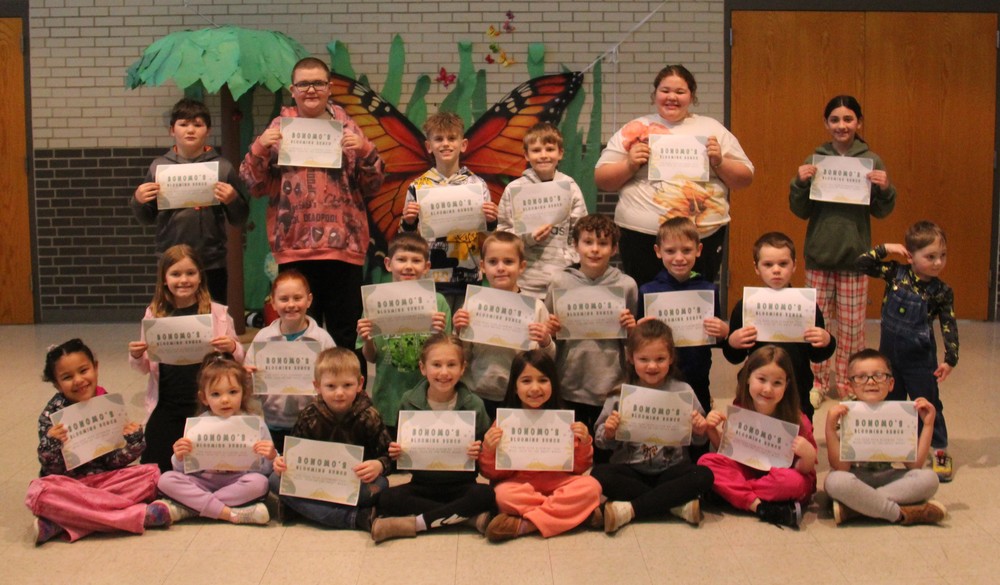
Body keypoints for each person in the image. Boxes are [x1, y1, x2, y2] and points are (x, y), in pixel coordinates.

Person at [240, 56, 385, 361]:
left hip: (343, 248)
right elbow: (254, 185)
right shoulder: (279, 129)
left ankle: (348, 402)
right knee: (300, 334)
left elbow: (373, 185)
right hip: (295, 246)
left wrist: (365, 150)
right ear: (293, 89)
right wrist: (260, 147)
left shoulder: (347, 126)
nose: (311, 89)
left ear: (329, 88)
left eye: (318, 83)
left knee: (345, 334)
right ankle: (305, 403)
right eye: (304, 83)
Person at [594, 64, 754, 286]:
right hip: (641, 237)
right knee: (644, 303)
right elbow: (603, 179)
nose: (672, 97)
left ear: (692, 96)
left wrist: (719, 161)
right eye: (665, 90)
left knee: (694, 306)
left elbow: (745, 179)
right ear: (655, 94)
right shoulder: (636, 128)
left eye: (680, 92)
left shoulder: (712, 128)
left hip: (701, 238)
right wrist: (630, 164)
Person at [789, 95, 895, 403]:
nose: (841, 126)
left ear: (859, 123)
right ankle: (817, 384)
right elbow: (800, 210)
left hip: (855, 259)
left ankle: (851, 385)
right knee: (816, 325)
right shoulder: (816, 158)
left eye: (848, 119)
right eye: (835, 120)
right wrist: (799, 182)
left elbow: (882, 211)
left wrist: (885, 188)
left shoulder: (871, 160)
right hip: (819, 256)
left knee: (851, 329)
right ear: (826, 124)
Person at [26, 339, 170, 544]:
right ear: (57, 384)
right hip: (72, 486)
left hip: (105, 482)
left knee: (151, 475)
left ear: (96, 367)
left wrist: (133, 442)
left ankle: (65, 522)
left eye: (83, 370)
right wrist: (51, 444)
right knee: (40, 492)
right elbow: (52, 470)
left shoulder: (108, 403)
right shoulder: (51, 416)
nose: (78, 380)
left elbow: (114, 461)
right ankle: (135, 516)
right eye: (67, 377)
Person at [592, 319, 715, 533]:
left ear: (671, 358)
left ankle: (629, 509)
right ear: (631, 358)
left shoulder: (683, 390)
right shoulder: (620, 394)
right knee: (599, 474)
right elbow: (601, 442)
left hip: (671, 469)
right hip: (631, 470)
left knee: (704, 475)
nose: (652, 366)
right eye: (644, 359)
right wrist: (610, 432)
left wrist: (699, 429)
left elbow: (699, 439)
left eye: (660, 359)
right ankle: (675, 504)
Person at [856, 221, 957, 482]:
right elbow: (862, 263)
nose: (937, 263)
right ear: (911, 256)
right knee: (891, 402)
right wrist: (885, 248)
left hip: (921, 360)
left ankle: (939, 448)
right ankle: (891, 447)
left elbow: (948, 323)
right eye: (930, 257)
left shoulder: (942, 291)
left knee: (929, 404)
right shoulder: (894, 272)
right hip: (889, 358)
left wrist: (950, 358)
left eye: (942, 256)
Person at [128, 244, 244, 472]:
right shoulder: (154, 312)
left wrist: (232, 346)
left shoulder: (218, 312)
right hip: (167, 403)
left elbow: (238, 363)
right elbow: (144, 368)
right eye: (176, 274)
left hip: (207, 405)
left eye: (190, 273)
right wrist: (136, 355)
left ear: (200, 276)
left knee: (209, 467)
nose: (184, 280)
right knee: (155, 468)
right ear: (164, 279)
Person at [371, 334, 495, 543]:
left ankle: (415, 524)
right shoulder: (408, 401)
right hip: (421, 485)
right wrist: (397, 453)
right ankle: (466, 519)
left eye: (451, 365)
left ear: (462, 368)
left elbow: (485, 459)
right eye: (436, 365)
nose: (444, 372)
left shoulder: (474, 404)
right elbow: (401, 459)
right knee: (385, 499)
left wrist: (480, 451)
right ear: (422, 368)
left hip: (462, 485)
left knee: (487, 496)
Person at [131, 98, 249, 303]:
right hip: (171, 261)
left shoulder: (222, 167)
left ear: (208, 130)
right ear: (172, 130)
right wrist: (138, 200)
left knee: (214, 318)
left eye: (197, 124)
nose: (190, 130)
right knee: (174, 318)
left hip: (211, 261)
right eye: (183, 124)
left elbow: (239, 218)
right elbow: (146, 218)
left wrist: (232, 199)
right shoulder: (158, 167)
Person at [478, 350, 601, 541]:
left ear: (553, 384)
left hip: (558, 483)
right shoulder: (505, 422)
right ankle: (575, 516)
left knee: (591, 487)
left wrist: (585, 442)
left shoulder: (564, 421)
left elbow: (579, 468)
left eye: (543, 380)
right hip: (520, 485)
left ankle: (526, 525)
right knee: (501, 495)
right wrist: (489, 449)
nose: (535, 388)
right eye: (526, 381)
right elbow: (491, 474)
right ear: (514, 388)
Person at [269, 348, 392, 530]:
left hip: (354, 481)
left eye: (347, 385)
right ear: (317, 386)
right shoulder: (309, 415)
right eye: (331, 386)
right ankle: (354, 517)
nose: (339, 393)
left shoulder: (369, 415)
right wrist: (282, 463)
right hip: (316, 479)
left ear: (360, 384)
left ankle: (300, 509)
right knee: (274, 480)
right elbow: (293, 454)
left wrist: (379, 465)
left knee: (380, 486)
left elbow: (389, 455)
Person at [699, 346, 818, 528]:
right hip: (748, 468)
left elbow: (803, 469)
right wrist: (711, 429)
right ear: (748, 378)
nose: (768, 389)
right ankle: (760, 506)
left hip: (779, 476)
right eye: (761, 379)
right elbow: (729, 451)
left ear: (787, 385)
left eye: (777, 383)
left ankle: (734, 493)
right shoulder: (741, 408)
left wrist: (808, 455)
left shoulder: (797, 420)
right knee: (707, 462)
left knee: (792, 482)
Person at [824, 349, 946, 525]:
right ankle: (899, 513)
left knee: (929, 479)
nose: (871, 382)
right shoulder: (843, 413)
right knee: (835, 481)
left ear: (891, 383)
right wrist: (829, 427)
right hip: (855, 476)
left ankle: (857, 508)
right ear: (850, 385)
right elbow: (841, 467)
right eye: (861, 377)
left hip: (889, 476)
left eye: (879, 375)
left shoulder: (900, 413)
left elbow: (915, 464)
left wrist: (928, 424)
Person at [724, 232, 835, 421]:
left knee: (798, 434)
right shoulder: (746, 306)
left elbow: (817, 356)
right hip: (758, 388)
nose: (776, 270)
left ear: (794, 266)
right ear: (757, 268)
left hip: (797, 386)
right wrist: (732, 343)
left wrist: (826, 341)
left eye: (783, 264)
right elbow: (734, 357)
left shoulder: (806, 306)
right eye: (768, 264)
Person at [155, 353, 276, 525]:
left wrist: (270, 456)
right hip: (202, 481)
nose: (225, 400)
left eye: (233, 392)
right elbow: (183, 470)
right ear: (204, 397)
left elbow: (263, 471)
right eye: (216, 394)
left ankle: (189, 509)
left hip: (237, 481)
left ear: (244, 392)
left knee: (260, 483)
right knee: (166, 479)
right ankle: (229, 513)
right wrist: (180, 456)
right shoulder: (198, 425)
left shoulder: (255, 423)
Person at [545, 214, 638, 434]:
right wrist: (551, 329)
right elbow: (547, 334)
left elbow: (636, 341)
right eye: (588, 242)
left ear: (614, 248)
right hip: (569, 380)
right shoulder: (560, 282)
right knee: (573, 448)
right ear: (575, 245)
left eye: (603, 243)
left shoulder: (626, 286)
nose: (595, 249)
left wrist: (632, 328)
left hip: (610, 383)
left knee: (605, 448)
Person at [398, 112, 498, 313]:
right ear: (429, 146)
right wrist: (408, 222)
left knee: (463, 338)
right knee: (437, 339)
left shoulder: (477, 185)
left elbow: (488, 239)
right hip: (431, 278)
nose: (446, 144)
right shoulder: (417, 187)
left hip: (469, 277)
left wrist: (492, 221)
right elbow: (407, 242)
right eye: (439, 139)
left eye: (452, 138)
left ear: (463, 144)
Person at [356, 232, 451, 437]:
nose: (409, 266)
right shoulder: (374, 302)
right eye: (402, 259)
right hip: (387, 399)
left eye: (416, 261)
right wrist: (367, 339)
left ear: (426, 267)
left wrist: (440, 331)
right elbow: (371, 357)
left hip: (428, 400)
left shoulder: (439, 302)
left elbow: (449, 354)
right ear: (389, 264)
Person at [454, 231, 554, 419]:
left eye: (508, 262)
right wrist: (459, 331)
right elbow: (463, 356)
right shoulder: (472, 304)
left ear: (521, 266)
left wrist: (545, 341)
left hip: (520, 396)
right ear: (483, 267)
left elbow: (547, 362)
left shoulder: (536, 308)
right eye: (493, 262)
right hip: (477, 393)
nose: (500, 268)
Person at [637, 217, 730, 414]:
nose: (679, 258)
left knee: (699, 427)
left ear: (699, 250)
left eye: (687, 250)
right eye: (670, 251)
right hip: (658, 377)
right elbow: (638, 342)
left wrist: (723, 331)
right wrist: (639, 329)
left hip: (698, 373)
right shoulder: (648, 292)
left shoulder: (708, 291)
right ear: (658, 252)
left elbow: (716, 339)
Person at [245, 270, 336, 452]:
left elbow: (336, 380)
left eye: (297, 298)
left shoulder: (323, 340)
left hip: (315, 425)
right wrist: (249, 378)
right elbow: (250, 391)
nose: (291, 304)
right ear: (273, 302)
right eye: (284, 299)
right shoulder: (263, 339)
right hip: (273, 425)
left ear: (309, 300)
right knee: (274, 477)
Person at [497, 122, 588, 299]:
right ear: (526, 155)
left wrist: (568, 261)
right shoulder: (514, 190)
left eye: (549, 149)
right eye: (536, 150)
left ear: (560, 153)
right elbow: (503, 234)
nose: (543, 155)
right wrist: (529, 238)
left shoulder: (570, 187)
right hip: (524, 282)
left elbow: (581, 232)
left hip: (562, 282)